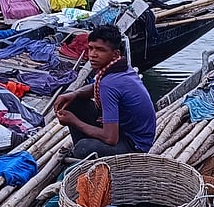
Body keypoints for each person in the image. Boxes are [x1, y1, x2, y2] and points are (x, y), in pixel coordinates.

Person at [55, 24, 156, 157]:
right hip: (123, 129)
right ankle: (86, 151)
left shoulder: (110, 84)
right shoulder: (121, 66)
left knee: (83, 148)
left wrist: (74, 122)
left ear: (115, 54)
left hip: (134, 144)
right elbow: (95, 87)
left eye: (100, 50)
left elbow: (110, 138)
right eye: (90, 48)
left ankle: (85, 157)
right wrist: (74, 94)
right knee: (73, 102)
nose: (93, 54)